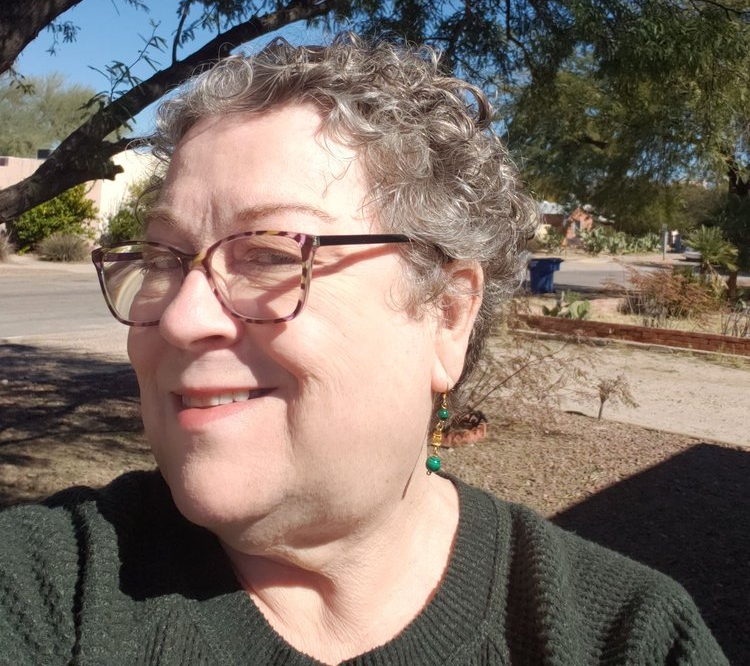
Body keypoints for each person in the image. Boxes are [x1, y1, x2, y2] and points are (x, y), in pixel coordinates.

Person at [0, 35, 728, 665]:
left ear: (447, 315)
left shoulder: (624, 636)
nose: (182, 320)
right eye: (164, 257)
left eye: (269, 254)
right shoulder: (45, 586)